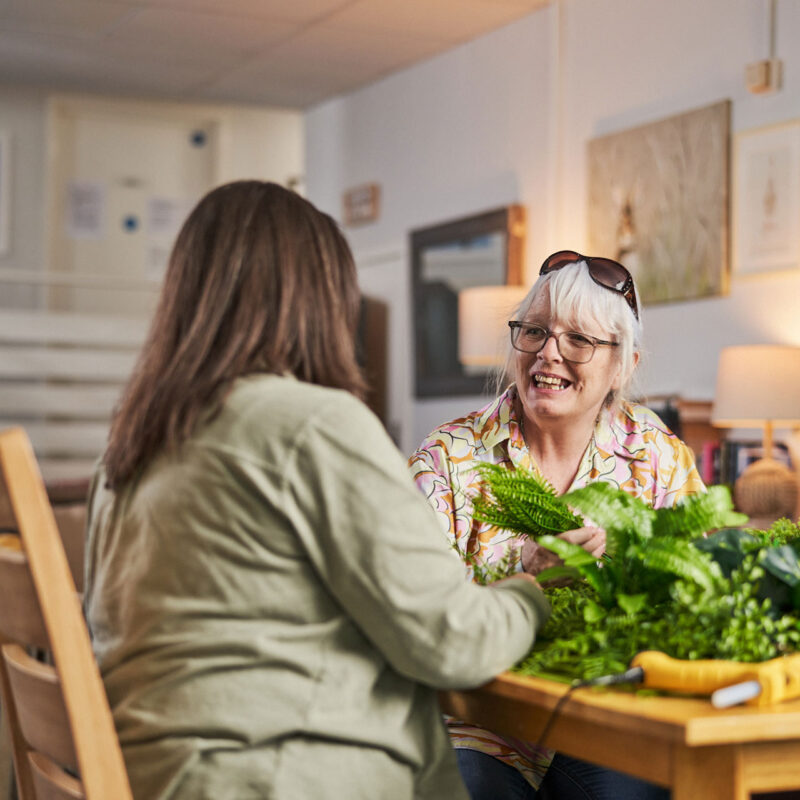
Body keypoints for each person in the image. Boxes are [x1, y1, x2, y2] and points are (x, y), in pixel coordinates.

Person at [83, 181, 551, 800]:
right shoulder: (310, 424)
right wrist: (534, 591)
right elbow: (453, 641)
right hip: (279, 778)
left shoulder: (131, 445)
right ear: (319, 299)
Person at [409, 249, 705, 800]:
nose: (549, 354)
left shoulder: (657, 454)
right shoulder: (447, 456)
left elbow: (703, 584)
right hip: (477, 727)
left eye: (579, 340)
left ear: (624, 363)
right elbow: (418, 620)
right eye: (536, 332)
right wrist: (522, 572)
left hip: (608, 726)